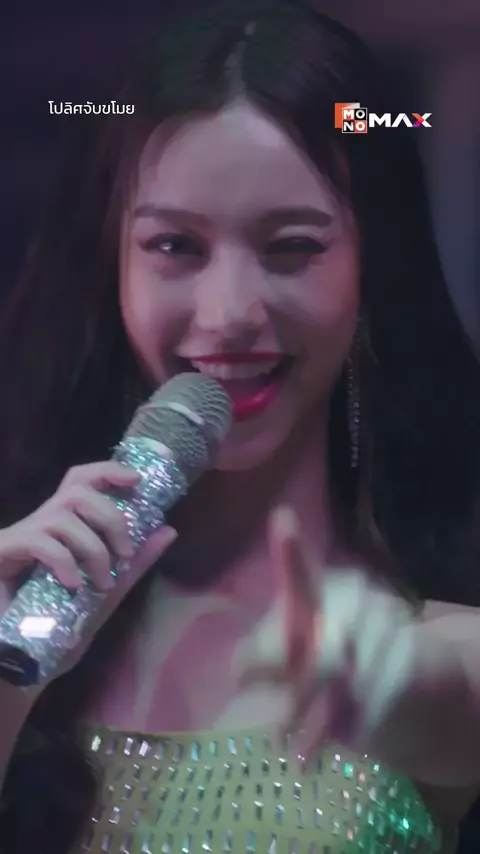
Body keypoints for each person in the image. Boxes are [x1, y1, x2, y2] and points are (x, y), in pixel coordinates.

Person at [1, 1, 480, 852]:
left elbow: (449, 706)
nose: (228, 315)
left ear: (372, 272)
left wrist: (396, 688)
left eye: (292, 247)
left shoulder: (441, 643)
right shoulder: (23, 604)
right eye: (176, 247)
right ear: (112, 267)